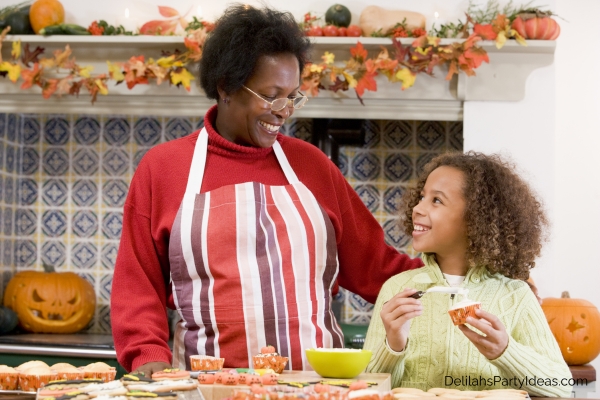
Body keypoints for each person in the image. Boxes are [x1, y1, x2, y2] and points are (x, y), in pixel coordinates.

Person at [110, 4, 423, 376]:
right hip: (202, 387)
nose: (284, 110)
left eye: (292, 97)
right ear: (225, 86)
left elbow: (378, 267)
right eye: (272, 95)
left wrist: (459, 281)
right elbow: (137, 285)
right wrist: (149, 361)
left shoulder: (313, 166)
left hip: (315, 387)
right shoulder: (163, 169)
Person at [362, 152, 572, 398]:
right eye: (422, 197)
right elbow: (367, 389)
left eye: (436, 200)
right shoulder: (397, 289)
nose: (417, 208)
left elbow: (562, 387)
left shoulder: (516, 296)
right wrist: (393, 345)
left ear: (475, 218)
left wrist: (506, 351)